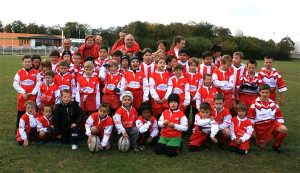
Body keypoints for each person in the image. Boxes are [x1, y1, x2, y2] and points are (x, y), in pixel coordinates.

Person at [248, 84, 288, 153]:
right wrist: (253, 130)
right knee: (262, 146)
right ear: (259, 92)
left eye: (266, 92)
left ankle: (276, 145)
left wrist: (278, 129)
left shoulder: (273, 103)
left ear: (269, 93)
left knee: (284, 129)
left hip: (272, 124)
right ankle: (260, 138)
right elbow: (250, 120)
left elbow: (279, 117)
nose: (265, 94)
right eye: (263, 92)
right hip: (260, 127)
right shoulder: (254, 104)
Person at [13, 55, 41, 129]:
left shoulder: (36, 72)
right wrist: (23, 92)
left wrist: (32, 93)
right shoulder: (19, 72)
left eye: (29, 61)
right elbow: (15, 84)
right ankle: (18, 131)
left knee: (33, 115)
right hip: (22, 98)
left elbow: (39, 83)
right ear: (22, 62)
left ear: (31, 62)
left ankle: (32, 132)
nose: (27, 63)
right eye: (25, 62)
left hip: (32, 98)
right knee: (21, 114)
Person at [184, 57, 203, 122]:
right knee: (186, 112)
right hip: (187, 97)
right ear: (189, 66)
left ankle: (194, 126)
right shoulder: (185, 75)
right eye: (191, 65)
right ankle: (185, 126)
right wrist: (188, 97)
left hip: (196, 97)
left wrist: (195, 97)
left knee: (195, 112)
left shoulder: (200, 75)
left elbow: (200, 86)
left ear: (197, 66)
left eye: (195, 65)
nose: (193, 67)